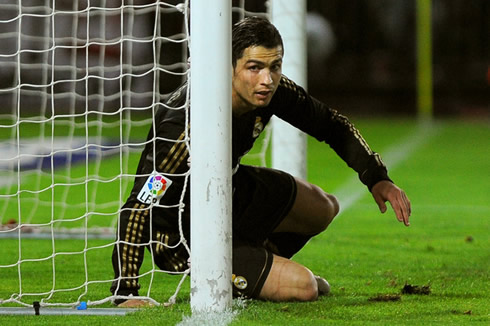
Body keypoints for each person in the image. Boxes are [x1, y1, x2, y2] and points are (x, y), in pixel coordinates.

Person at [110, 16, 411, 307]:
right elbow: (140, 203)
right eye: (254, 68)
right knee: (305, 288)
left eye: (274, 66)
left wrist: (376, 176)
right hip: (185, 234)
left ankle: (257, 262)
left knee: (323, 207)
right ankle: (249, 272)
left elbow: (329, 124)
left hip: (230, 193)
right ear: (229, 68)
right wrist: (126, 290)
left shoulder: (269, 90)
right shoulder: (185, 127)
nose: (266, 79)